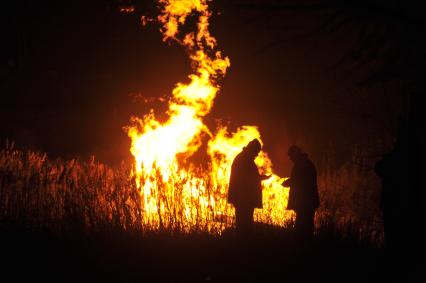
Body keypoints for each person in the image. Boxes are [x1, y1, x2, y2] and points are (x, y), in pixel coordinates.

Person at [228, 139, 265, 236]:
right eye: (256, 152)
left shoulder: (244, 158)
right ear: (252, 149)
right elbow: (245, 179)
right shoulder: (244, 159)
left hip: (243, 198)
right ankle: (243, 244)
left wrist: (259, 178)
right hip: (243, 198)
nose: (256, 155)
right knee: (244, 224)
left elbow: (247, 177)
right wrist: (259, 178)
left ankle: (243, 243)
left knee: (244, 223)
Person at [283, 145, 319, 239]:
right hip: (306, 202)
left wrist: (289, 182)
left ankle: (303, 247)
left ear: (295, 154)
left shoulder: (303, 165)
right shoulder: (303, 163)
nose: (290, 159)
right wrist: (290, 181)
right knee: (305, 226)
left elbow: (301, 182)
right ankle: (304, 245)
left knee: (303, 227)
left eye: (291, 156)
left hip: (306, 202)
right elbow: (299, 179)